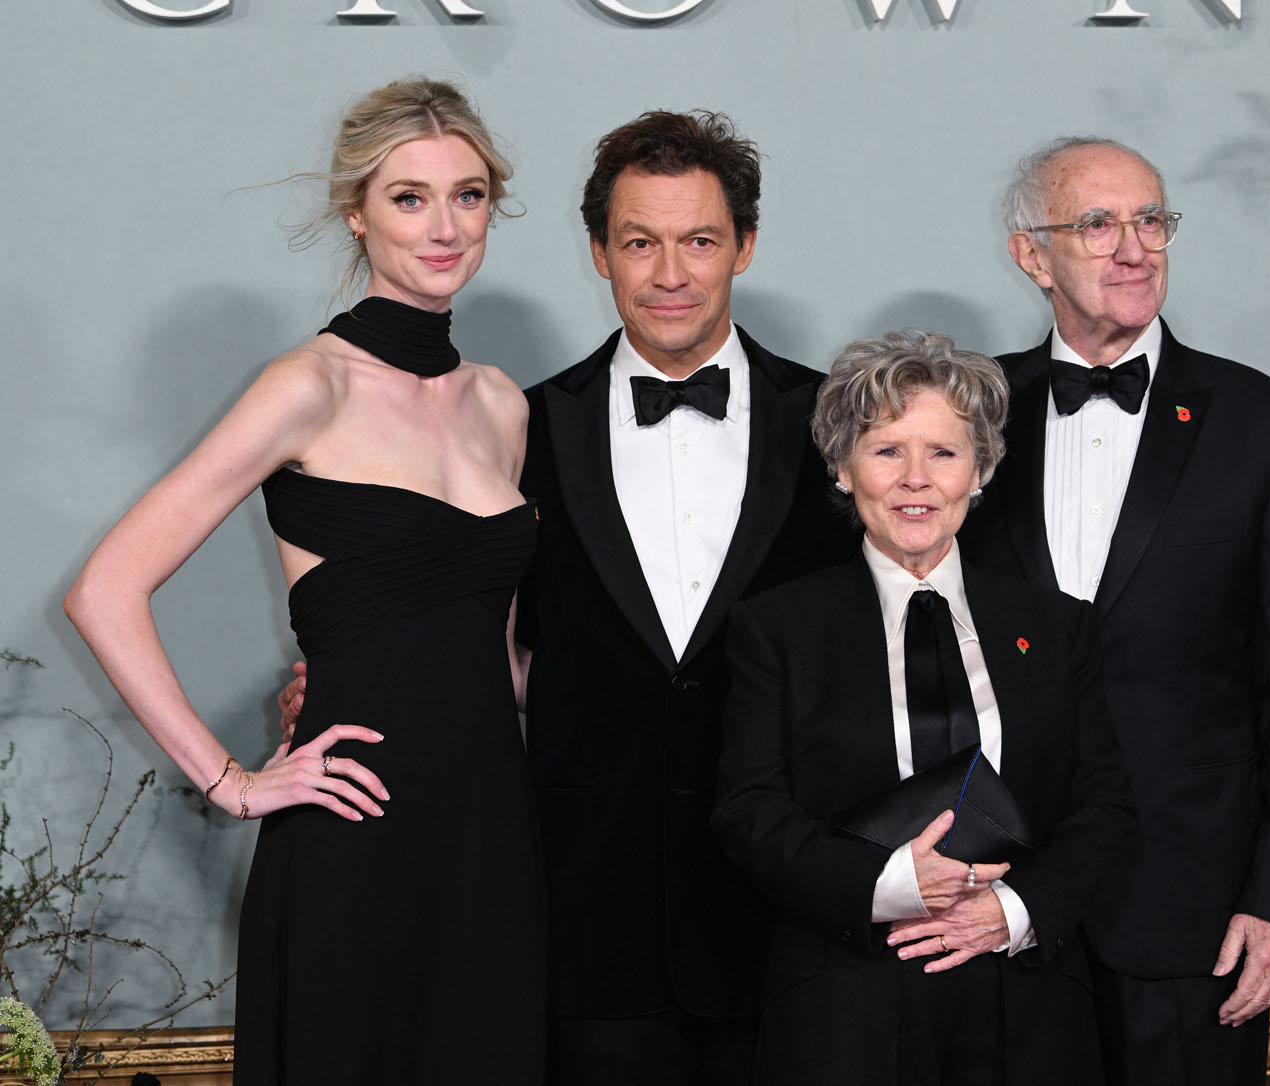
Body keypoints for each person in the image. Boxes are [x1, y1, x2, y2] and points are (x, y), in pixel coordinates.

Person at [64, 78, 546, 1085]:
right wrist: (233, 784)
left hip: (492, 836)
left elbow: (495, 657)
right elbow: (105, 590)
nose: (445, 227)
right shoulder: (307, 386)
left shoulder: (502, 405)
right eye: (409, 197)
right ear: (356, 213)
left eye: (468, 196)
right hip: (353, 831)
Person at [958, 137, 1270, 1084]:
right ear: (1032, 255)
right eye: (1099, 224)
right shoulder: (968, 416)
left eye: (1151, 221)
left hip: (1196, 910)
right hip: (1000, 897)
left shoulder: (1263, 421)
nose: (1135, 249)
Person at [518, 110, 859, 1082]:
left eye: (699, 241)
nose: (670, 273)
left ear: (744, 246)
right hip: (593, 921)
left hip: (794, 922)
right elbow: (480, 636)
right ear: (598, 253)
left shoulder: (840, 424)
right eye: (640, 243)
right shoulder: (521, 428)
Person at [711, 329, 1136, 1086]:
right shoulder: (776, 628)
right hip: (847, 998)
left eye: (943, 452)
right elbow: (749, 811)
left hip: (1026, 996)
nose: (916, 480)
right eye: (886, 451)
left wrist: (1014, 909)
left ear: (982, 469)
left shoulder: (1056, 626)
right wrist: (888, 884)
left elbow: (1104, 804)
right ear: (843, 468)